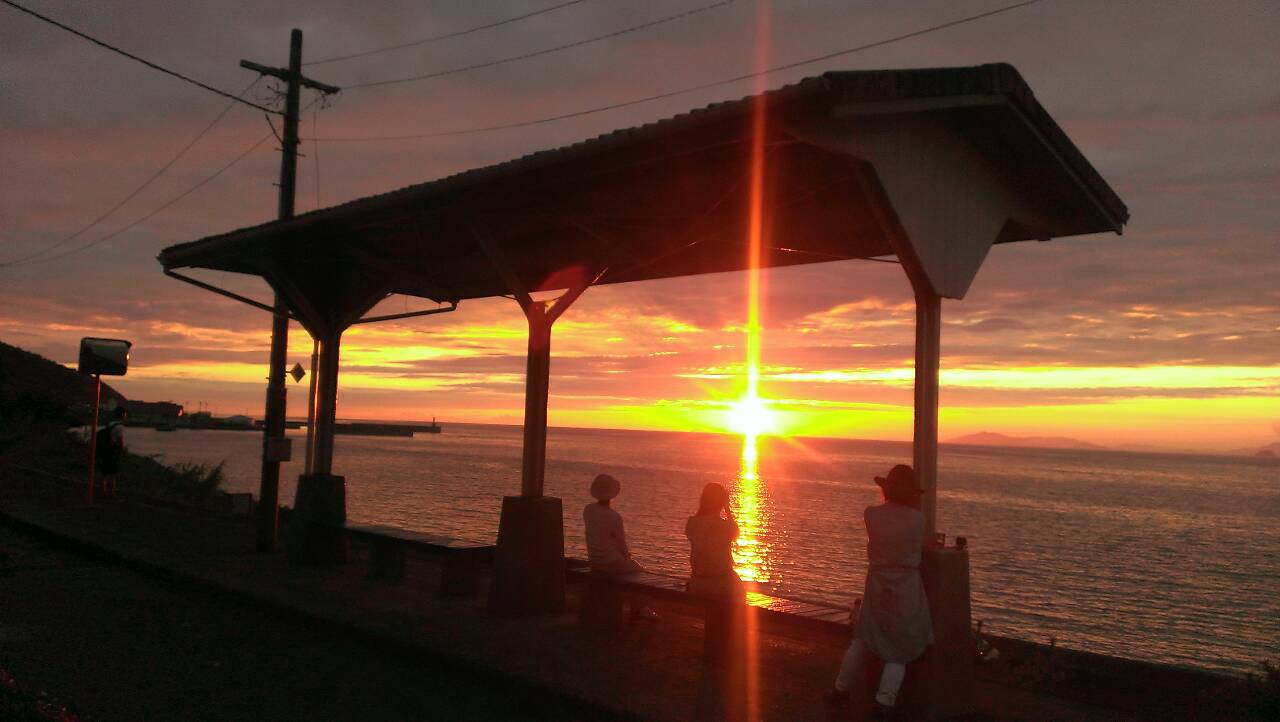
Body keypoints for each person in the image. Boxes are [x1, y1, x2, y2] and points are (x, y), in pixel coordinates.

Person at [825, 464, 934, 715]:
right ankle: (884, 702)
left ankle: (840, 690)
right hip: (906, 589)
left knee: (862, 639)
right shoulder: (918, 519)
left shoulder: (871, 514)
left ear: (886, 489)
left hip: (876, 585)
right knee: (899, 650)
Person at [684, 482, 743, 597]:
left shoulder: (691, 523)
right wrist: (727, 509)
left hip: (698, 584)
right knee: (740, 592)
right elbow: (736, 532)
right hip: (721, 585)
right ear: (721, 503)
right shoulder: (723, 526)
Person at [583, 473, 643, 575]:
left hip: (594, 562)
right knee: (640, 569)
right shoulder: (614, 516)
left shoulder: (588, 510)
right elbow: (621, 543)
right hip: (612, 563)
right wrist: (628, 557)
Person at [96, 406, 127, 498]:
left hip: (105, 450)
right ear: (122, 415)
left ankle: (103, 491)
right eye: (125, 415)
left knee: (104, 472)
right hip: (113, 452)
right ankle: (111, 493)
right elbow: (120, 440)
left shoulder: (110, 424)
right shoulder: (120, 427)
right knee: (112, 473)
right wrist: (122, 450)